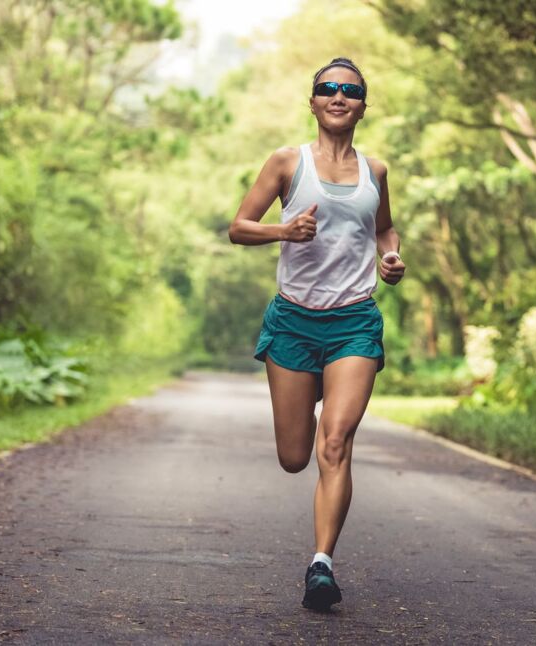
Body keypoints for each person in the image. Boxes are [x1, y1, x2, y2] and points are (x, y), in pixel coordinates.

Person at [228, 57, 405, 611]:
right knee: (294, 455)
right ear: (312, 102)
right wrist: (284, 229)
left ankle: (321, 565)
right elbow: (239, 227)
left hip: (354, 319)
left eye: (349, 91)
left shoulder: (375, 172)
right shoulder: (287, 162)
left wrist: (392, 256)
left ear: (361, 106)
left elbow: (385, 229)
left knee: (337, 441)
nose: (338, 96)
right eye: (327, 88)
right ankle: (306, 405)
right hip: (294, 321)